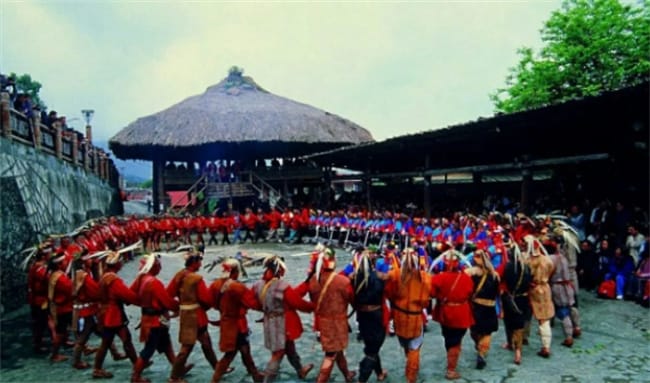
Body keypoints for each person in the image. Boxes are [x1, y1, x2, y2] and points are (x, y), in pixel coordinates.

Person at [252, 255, 315, 382]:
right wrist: (315, 306)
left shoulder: (258, 285)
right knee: (278, 354)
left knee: (289, 348)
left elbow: (255, 303)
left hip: (269, 321)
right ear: (279, 269)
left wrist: (306, 283)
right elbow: (297, 302)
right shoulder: (281, 285)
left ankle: (300, 370)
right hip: (282, 323)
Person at [130, 254, 191, 383]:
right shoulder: (154, 283)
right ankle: (136, 376)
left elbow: (132, 295)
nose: (160, 267)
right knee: (149, 349)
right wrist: (179, 306)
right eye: (158, 265)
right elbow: (166, 302)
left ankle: (178, 368)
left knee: (167, 345)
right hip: (155, 321)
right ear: (154, 267)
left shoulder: (141, 279)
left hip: (149, 318)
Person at [167, 252, 220, 383]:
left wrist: (178, 306)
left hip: (185, 315)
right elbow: (206, 299)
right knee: (187, 348)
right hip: (197, 316)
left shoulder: (179, 275)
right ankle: (174, 377)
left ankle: (218, 368)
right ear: (194, 263)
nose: (201, 264)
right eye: (199, 262)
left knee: (206, 343)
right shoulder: (196, 279)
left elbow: (168, 293)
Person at [209, 259, 264, 382]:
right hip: (237, 325)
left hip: (225, 322)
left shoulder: (215, 284)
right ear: (235, 272)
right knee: (231, 354)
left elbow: (211, 302)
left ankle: (255, 374)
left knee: (245, 350)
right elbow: (253, 303)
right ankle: (214, 380)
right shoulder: (238, 287)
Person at [307, 247, 356, 383]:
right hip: (337, 323)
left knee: (336, 350)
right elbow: (352, 299)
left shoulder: (312, 281)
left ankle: (347, 374)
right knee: (331, 354)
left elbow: (312, 300)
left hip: (323, 321)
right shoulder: (343, 281)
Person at [383, 248, 431, 383]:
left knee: (406, 343)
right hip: (415, 318)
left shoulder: (394, 275)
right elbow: (427, 300)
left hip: (399, 316)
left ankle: (411, 365)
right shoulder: (425, 277)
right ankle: (411, 377)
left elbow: (388, 293)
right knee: (414, 347)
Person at [93, 251, 140, 379]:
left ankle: (137, 363)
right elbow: (125, 294)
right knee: (107, 342)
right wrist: (138, 300)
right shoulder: (113, 280)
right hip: (113, 315)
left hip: (108, 313)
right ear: (117, 264)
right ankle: (97, 369)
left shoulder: (104, 276)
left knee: (126, 339)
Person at [430, 249, 474, 380]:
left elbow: (432, 294)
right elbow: (470, 293)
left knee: (449, 339)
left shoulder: (439, 277)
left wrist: (441, 296)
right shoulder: (467, 278)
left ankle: (451, 362)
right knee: (455, 341)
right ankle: (451, 369)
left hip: (445, 313)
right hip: (461, 313)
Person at [351, 250, 389, 383]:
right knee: (373, 349)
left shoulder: (353, 277)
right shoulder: (381, 277)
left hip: (361, 315)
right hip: (376, 315)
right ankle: (362, 379)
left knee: (371, 345)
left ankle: (379, 373)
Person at [464, 248, 499, 369]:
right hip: (489, 307)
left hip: (476, 307)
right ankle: (481, 352)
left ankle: (481, 352)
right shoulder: (495, 275)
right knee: (485, 332)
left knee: (477, 331)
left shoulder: (469, 273)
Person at [501, 245, 532, 365]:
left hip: (509, 298)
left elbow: (503, 280)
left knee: (508, 322)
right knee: (519, 325)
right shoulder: (527, 268)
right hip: (523, 298)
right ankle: (518, 351)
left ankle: (510, 343)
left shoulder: (508, 267)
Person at [525, 236, 555, 358]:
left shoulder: (527, 261)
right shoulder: (547, 260)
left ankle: (523, 338)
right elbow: (551, 270)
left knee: (527, 315)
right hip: (545, 288)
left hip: (532, 289)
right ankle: (546, 346)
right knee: (544, 320)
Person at [547, 240, 577, 347]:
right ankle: (577, 327)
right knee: (570, 306)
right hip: (567, 285)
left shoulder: (550, 259)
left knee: (563, 311)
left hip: (557, 287)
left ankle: (569, 337)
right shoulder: (563, 257)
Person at [48, 253, 74, 362]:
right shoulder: (60, 278)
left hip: (63, 307)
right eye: (63, 262)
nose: (65, 263)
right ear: (59, 264)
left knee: (73, 328)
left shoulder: (55, 275)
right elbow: (70, 290)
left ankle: (84, 346)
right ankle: (54, 355)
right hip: (64, 308)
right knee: (60, 332)